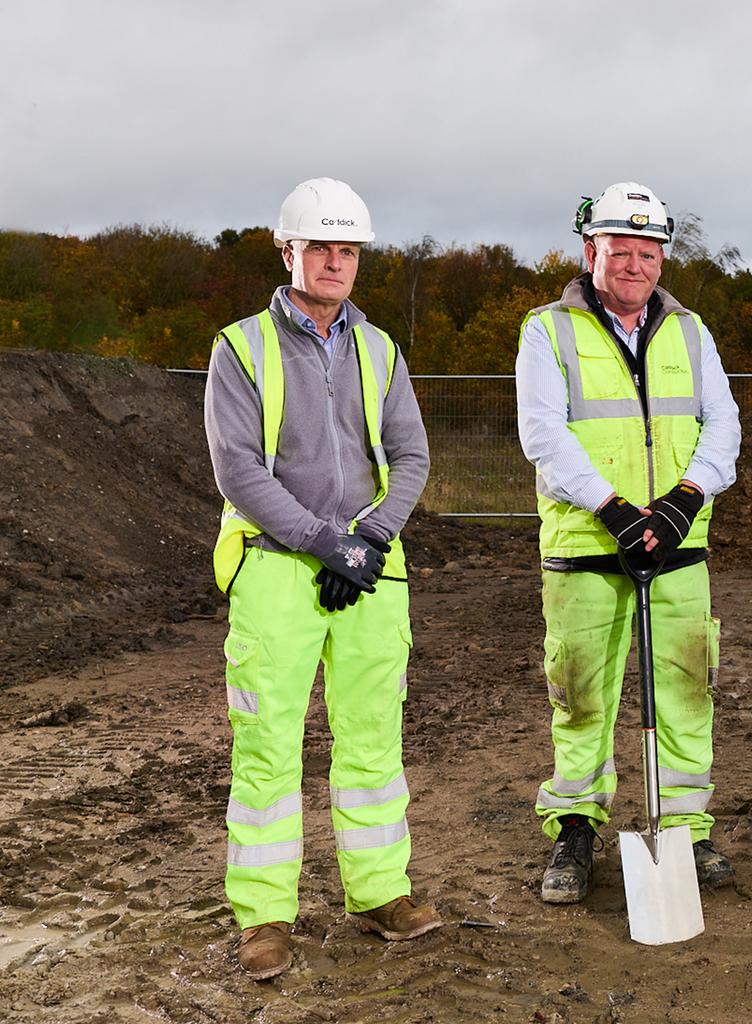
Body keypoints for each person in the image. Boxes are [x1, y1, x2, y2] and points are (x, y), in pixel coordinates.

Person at [205, 177, 438, 980]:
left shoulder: (380, 349)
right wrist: (321, 542)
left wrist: (366, 539)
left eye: (349, 250)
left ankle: (380, 893)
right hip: (277, 567)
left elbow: (412, 455)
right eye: (321, 248)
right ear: (288, 251)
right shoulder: (241, 347)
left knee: (373, 738)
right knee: (267, 747)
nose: (336, 263)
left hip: (370, 571)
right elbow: (238, 469)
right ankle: (265, 916)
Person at [516, 181, 741, 902]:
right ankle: (576, 829)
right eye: (621, 250)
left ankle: (686, 829)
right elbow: (543, 433)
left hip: (677, 547)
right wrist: (613, 509)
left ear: (661, 259)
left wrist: (685, 500)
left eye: (648, 253)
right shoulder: (547, 330)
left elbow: (723, 425)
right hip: (587, 547)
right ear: (592, 251)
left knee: (687, 689)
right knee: (581, 696)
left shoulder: (691, 332)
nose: (635, 265)